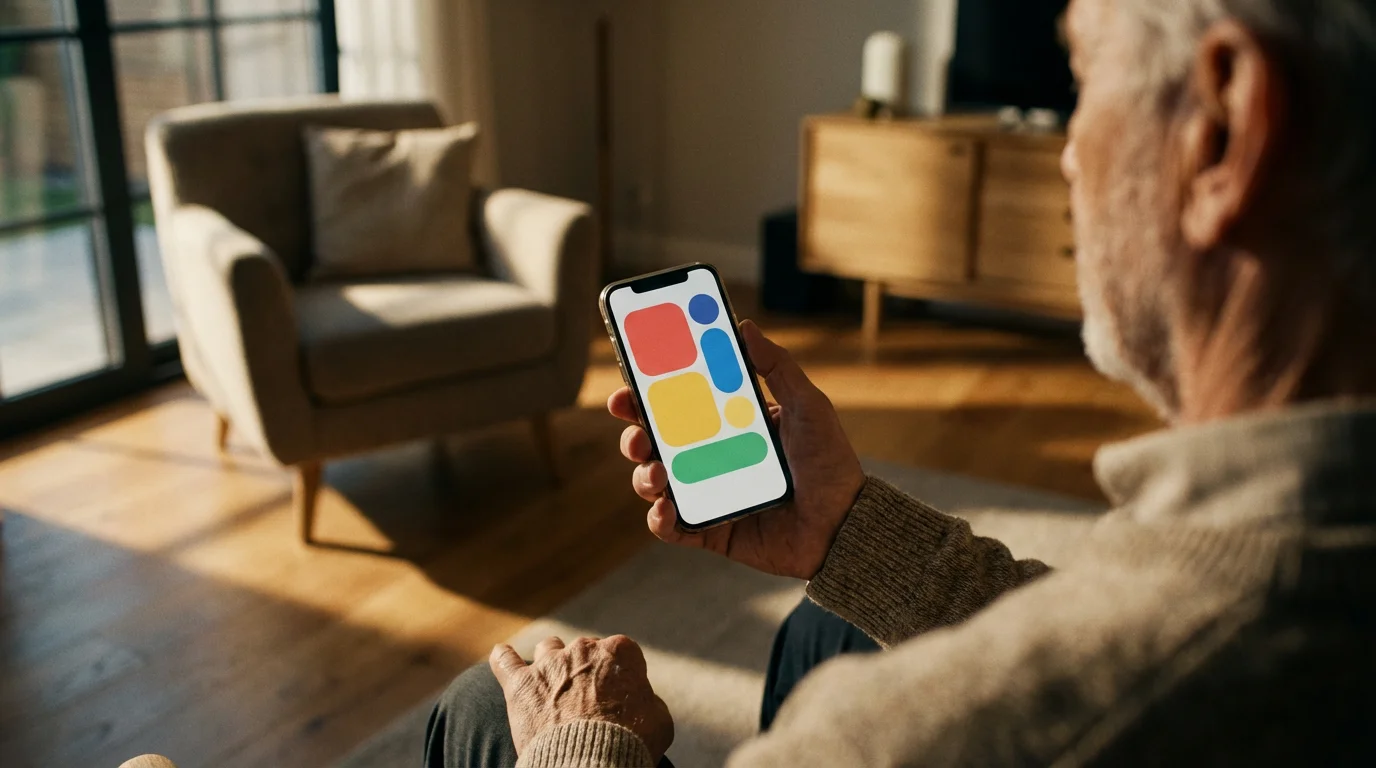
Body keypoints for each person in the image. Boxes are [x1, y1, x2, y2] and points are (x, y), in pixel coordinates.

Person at [425, 0, 1376, 764]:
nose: (1071, 153)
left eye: (1083, 78)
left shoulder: (901, 736)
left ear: (1222, 127)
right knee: (819, 629)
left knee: (483, 707)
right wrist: (848, 528)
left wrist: (581, 743)